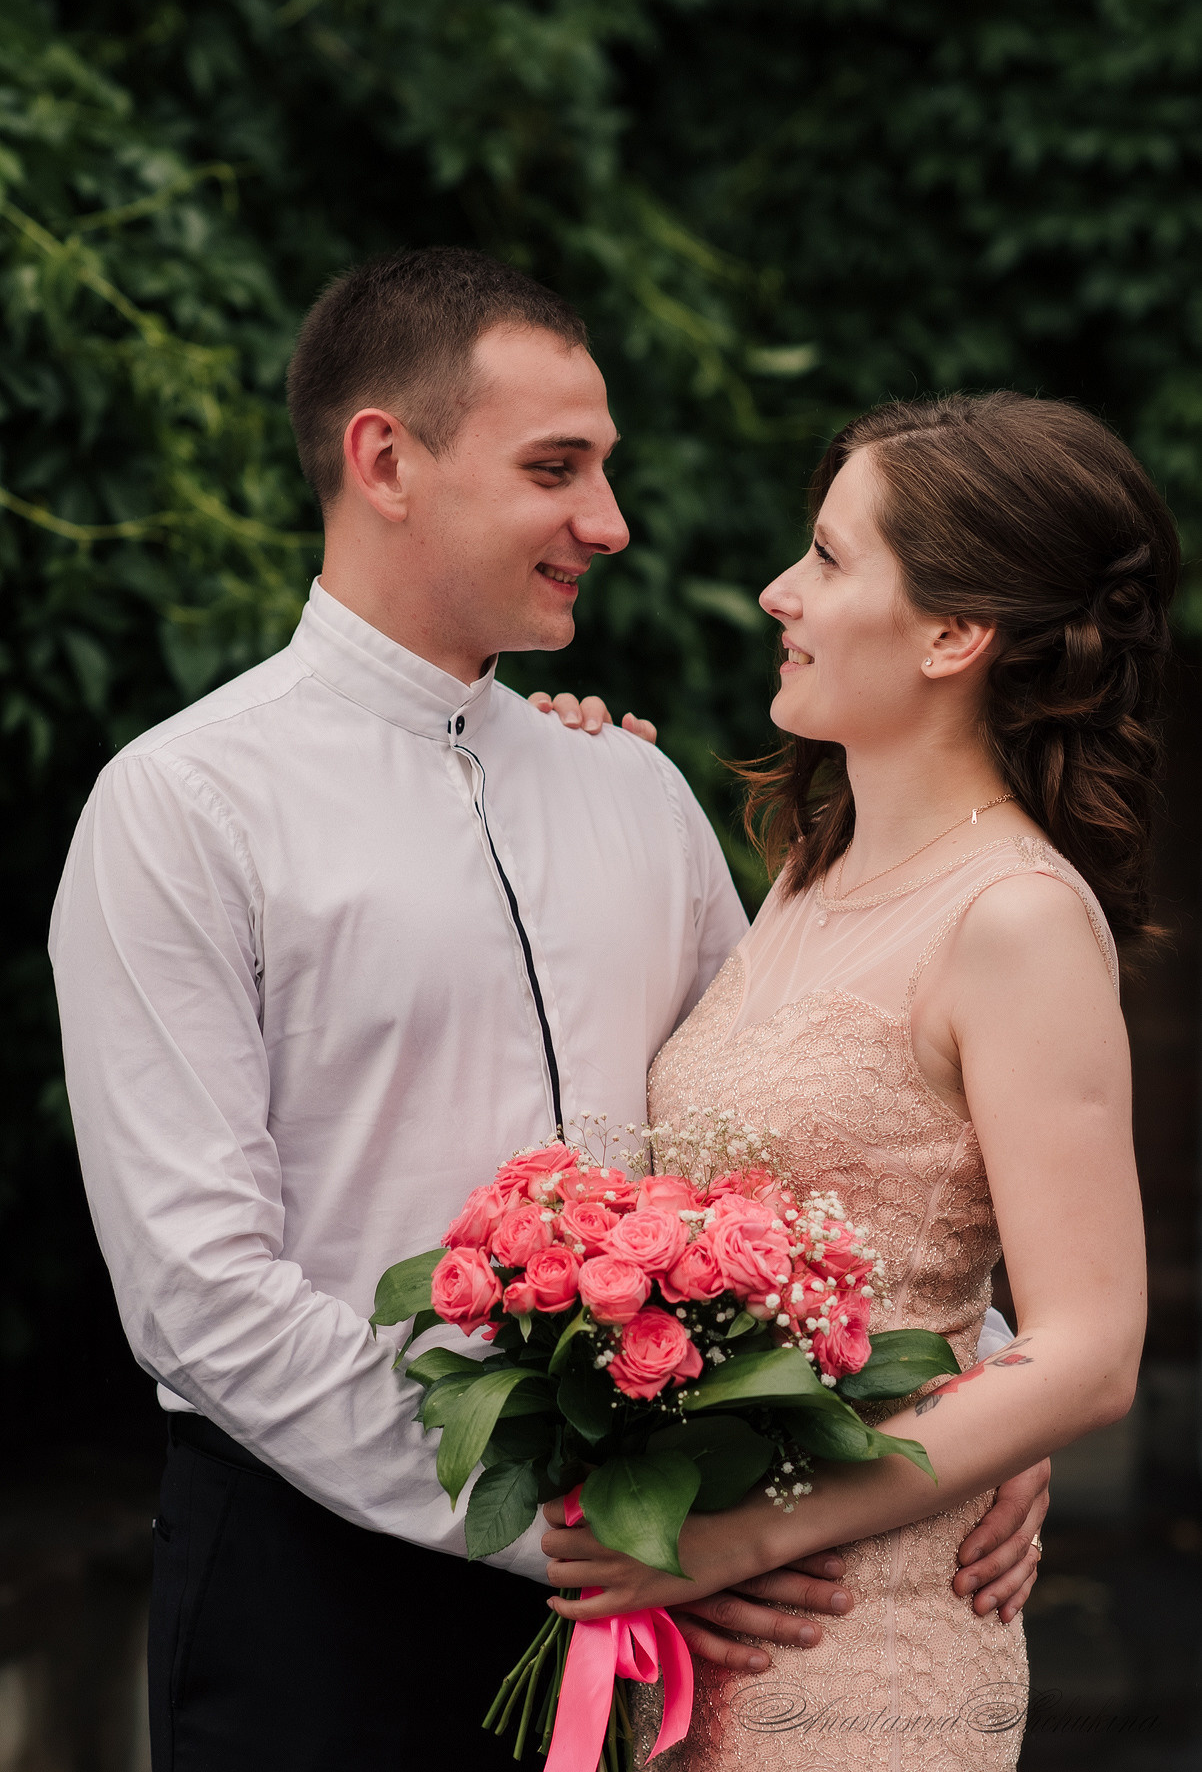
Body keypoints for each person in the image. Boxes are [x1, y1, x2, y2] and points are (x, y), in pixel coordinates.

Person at [49, 252, 1045, 1771]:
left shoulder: (630, 789)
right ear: (386, 459)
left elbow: (787, 1123)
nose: (610, 523)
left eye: (606, 468)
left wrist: (976, 1388)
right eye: (554, 469)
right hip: (320, 1595)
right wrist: (558, 1526)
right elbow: (199, 1288)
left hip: (676, 1586)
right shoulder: (183, 806)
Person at [541, 391, 1166, 1770]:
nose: (778, 592)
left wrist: (735, 1537)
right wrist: (551, 772)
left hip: (854, 1637)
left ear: (952, 635)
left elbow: (1089, 1349)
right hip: (701, 1631)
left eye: (828, 560)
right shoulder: (808, 873)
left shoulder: (1013, 918)